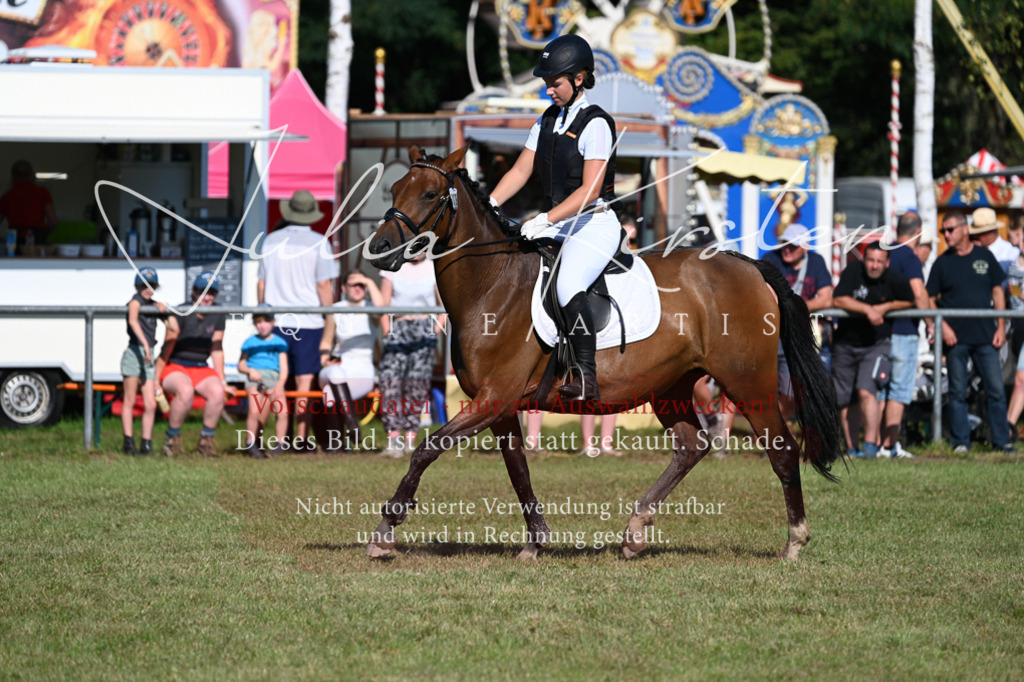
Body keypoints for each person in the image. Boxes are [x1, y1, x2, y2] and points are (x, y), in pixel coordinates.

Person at [488, 33, 622, 402]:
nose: (548, 90)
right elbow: (519, 172)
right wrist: (489, 205)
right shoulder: (547, 120)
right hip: (559, 222)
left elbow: (590, 190)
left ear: (579, 78)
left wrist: (545, 219)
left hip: (593, 222)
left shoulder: (596, 124)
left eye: (555, 83)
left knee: (567, 285)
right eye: (546, 83)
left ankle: (586, 375)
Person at [927, 212, 1013, 454]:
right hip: (956, 339)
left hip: (986, 336)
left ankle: (1002, 441)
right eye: (944, 231)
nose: (946, 235)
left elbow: (998, 292)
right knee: (956, 392)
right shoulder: (942, 262)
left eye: (950, 229)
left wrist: (1000, 326)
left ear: (965, 230)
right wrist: (942, 327)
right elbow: (930, 299)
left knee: (995, 390)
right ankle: (961, 443)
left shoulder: (985, 256)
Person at [257, 189, 336, 445]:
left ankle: (267, 437)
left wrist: (263, 317)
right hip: (308, 322)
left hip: (276, 321)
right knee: (304, 383)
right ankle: (300, 439)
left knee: (273, 381)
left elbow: (261, 284)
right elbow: (324, 285)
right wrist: (330, 317)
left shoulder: (269, 241)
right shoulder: (319, 243)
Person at [832, 242, 914, 458]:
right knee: (846, 399)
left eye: (879, 261)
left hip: (876, 345)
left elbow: (909, 301)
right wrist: (868, 309)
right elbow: (838, 298)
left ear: (887, 262)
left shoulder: (895, 279)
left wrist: (885, 307)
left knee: (867, 391)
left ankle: (869, 447)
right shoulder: (852, 271)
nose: (875, 266)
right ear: (864, 260)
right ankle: (852, 449)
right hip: (845, 344)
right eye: (871, 260)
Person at [760, 223, 834, 417]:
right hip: (771, 333)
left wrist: (796, 310)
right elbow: (763, 294)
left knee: (793, 390)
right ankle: (766, 428)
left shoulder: (816, 262)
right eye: (784, 243)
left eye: (792, 245)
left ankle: (774, 424)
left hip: (800, 335)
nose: (787, 249)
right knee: (760, 383)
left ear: (805, 248)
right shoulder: (770, 260)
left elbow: (827, 297)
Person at [877, 212, 932, 459]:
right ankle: (889, 446)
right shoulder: (909, 257)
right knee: (899, 391)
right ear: (918, 232)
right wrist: (931, 322)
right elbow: (919, 293)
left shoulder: (883, 253)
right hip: (905, 332)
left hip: (881, 333)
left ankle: (874, 444)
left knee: (880, 390)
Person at [378, 253, 445, 457]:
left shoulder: (434, 268)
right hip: (397, 327)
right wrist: (387, 331)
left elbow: (444, 305)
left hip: (423, 328)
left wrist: (435, 330)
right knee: (390, 384)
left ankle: (410, 438)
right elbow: (383, 305)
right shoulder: (392, 267)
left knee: (417, 385)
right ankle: (393, 439)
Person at [156, 271, 228, 458]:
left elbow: (217, 348)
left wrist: (223, 379)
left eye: (212, 293)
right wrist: (156, 378)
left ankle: (206, 442)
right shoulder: (182, 311)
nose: (207, 297)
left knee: (218, 392)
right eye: (203, 291)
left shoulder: (218, 313)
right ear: (194, 292)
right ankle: (171, 441)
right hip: (176, 364)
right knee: (185, 391)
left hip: (201, 366)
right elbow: (168, 345)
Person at [319, 271, 383, 450]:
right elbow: (326, 341)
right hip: (338, 364)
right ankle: (352, 424)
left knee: (329, 394)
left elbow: (382, 307)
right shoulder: (336, 309)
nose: (358, 288)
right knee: (335, 372)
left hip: (363, 366)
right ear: (343, 288)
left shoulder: (371, 308)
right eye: (353, 284)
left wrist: (369, 281)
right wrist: (325, 359)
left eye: (361, 285)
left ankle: (336, 446)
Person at [120, 267, 167, 455]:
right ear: (137, 286)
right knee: (130, 399)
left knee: (151, 403)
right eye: (144, 285)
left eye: (152, 285)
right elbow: (133, 321)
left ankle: (146, 443)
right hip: (135, 352)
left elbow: (173, 326)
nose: (148, 289)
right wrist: (146, 346)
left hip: (148, 355)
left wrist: (164, 309)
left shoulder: (153, 305)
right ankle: (128, 442)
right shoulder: (135, 302)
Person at [237, 305, 289, 459]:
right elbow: (241, 365)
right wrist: (250, 371)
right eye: (258, 322)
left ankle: (280, 443)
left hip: (275, 378)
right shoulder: (250, 342)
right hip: (256, 379)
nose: (262, 325)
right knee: (254, 410)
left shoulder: (279, 343)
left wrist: (279, 386)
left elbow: (284, 368)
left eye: (266, 321)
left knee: (282, 411)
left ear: (273, 322)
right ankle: (250, 442)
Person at [0, 159, 57, 253]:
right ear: (31, 174)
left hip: (15, 238)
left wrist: (2, 239)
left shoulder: (7, 196)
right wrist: (44, 232)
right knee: (37, 266)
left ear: (13, 176)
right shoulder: (42, 192)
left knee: (14, 265)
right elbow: (53, 221)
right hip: (38, 236)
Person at [1004, 216, 1024, 440]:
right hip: (1017, 325)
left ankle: (1008, 426)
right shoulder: (1013, 266)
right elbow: (1016, 296)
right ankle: (1008, 426)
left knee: (1021, 378)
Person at [969, 207, 1019, 274]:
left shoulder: (1011, 252)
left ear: (988, 233)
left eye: (977, 234)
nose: (975, 237)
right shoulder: (974, 250)